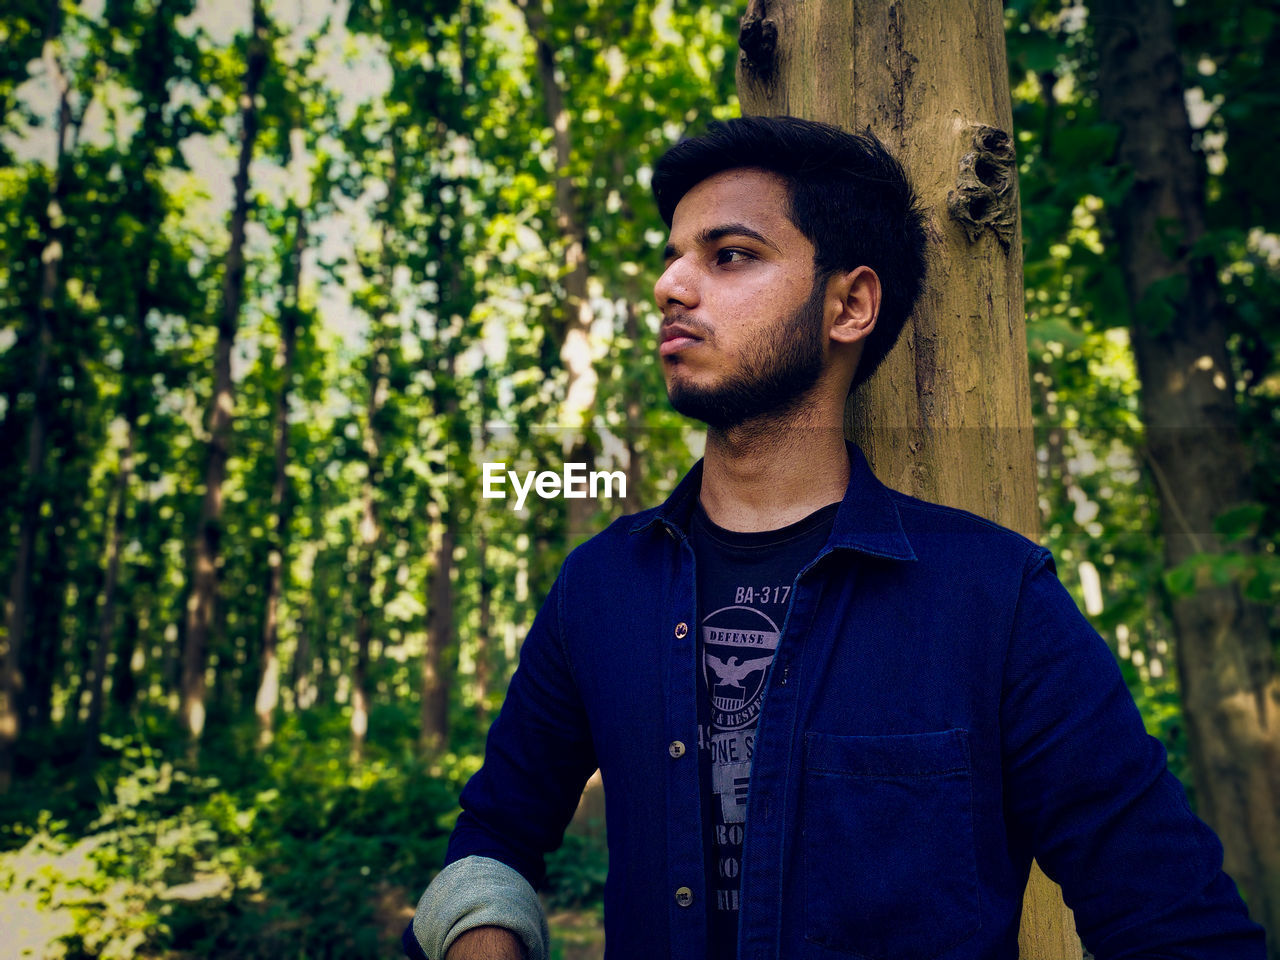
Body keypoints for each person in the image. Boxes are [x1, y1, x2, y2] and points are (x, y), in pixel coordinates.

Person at [402, 116, 1266, 960]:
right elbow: (496, 831)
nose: (670, 284)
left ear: (849, 303)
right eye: (671, 255)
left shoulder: (995, 600)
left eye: (728, 255)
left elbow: (1175, 922)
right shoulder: (597, 588)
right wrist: (483, 930)